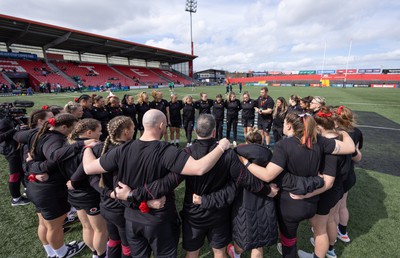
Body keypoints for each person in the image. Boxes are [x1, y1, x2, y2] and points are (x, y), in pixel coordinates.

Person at [82, 109, 231, 258]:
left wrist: (86, 148)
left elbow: (88, 168)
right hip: (160, 221)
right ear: (161, 125)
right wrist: (221, 147)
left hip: (132, 220)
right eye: (165, 125)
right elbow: (199, 168)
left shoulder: (122, 149)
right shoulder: (168, 151)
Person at [239, 112, 356, 258]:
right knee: (320, 230)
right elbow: (351, 148)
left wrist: (245, 162)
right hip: (311, 202)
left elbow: (268, 174)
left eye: (284, 123)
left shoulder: (283, 145)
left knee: (289, 242)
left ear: (289, 125)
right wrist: (344, 133)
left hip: (290, 204)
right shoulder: (319, 140)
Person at [194, 128, 279, 258]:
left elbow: (234, 182)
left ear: (246, 141)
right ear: (261, 142)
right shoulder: (271, 157)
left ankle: (236, 254)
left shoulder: (236, 154)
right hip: (264, 204)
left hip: (242, 204)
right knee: (257, 245)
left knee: (241, 237)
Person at [25, 113, 92, 258]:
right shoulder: (55, 140)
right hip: (49, 191)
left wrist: (32, 166)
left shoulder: (41, 134)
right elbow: (55, 156)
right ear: (63, 127)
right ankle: (62, 253)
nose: (75, 129)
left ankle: (52, 252)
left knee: (44, 224)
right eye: (74, 126)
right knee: (54, 226)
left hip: (37, 187)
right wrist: (81, 144)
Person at [70, 116, 137, 258]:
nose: (134, 130)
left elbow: (82, 176)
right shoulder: (130, 150)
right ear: (126, 131)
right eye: (133, 127)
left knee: (113, 240)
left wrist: (106, 192)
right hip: (122, 208)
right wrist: (111, 193)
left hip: (106, 206)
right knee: (127, 246)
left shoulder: (99, 147)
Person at [297, 107, 352, 258]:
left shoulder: (328, 146)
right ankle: (330, 250)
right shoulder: (340, 140)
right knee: (331, 219)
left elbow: (327, 181)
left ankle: (319, 255)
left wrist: (303, 195)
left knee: (320, 228)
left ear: (320, 127)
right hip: (339, 188)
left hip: (328, 191)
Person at [65, 119, 107, 258]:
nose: (101, 133)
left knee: (87, 226)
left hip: (74, 194)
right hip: (88, 194)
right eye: (99, 130)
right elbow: (85, 169)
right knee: (100, 230)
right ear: (89, 132)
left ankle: (95, 253)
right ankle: (101, 255)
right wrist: (74, 182)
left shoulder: (69, 144)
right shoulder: (93, 146)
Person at [334, 106, 363, 244]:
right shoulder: (356, 132)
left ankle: (330, 239)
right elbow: (357, 155)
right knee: (342, 205)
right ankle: (343, 233)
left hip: (337, 175)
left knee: (333, 210)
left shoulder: (335, 133)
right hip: (349, 174)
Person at [0, 112, 30, 206]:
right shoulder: (3, 120)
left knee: (21, 171)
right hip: (10, 150)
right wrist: (14, 130)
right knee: (15, 174)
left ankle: (27, 190)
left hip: (14, 148)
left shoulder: (6, 117)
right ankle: (16, 199)